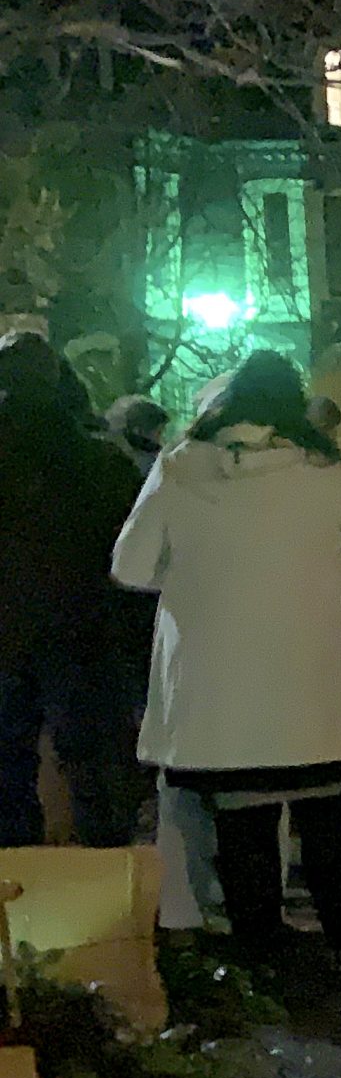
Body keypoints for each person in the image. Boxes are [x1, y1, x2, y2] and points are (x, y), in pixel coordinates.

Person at [110, 350, 341, 965]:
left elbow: (130, 566)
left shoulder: (179, 467)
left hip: (219, 688)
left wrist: (193, 575)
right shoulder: (324, 471)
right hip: (317, 682)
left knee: (242, 819)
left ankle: (259, 949)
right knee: (327, 814)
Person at [0, 333, 146, 847]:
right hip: (83, 632)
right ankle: (103, 873)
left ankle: (16, 877)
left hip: (7, 636)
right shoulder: (101, 462)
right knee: (95, 772)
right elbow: (134, 556)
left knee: (6, 775)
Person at [101, 395, 169, 474]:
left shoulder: (154, 455)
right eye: (159, 433)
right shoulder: (126, 460)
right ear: (138, 431)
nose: (161, 439)